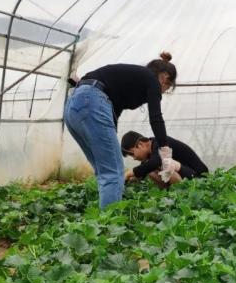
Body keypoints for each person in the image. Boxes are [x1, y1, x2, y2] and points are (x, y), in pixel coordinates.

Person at [63, 52, 176, 209]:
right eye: (168, 87)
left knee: (105, 170)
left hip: (74, 107)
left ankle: (104, 218)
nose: (163, 91)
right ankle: (110, 227)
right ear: (164, 78)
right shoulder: (152, 80)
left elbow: (115, 110)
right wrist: (165, 152)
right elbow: (156, 118)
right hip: (92, 101)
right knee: (113, 173)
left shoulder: (133, 79)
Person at [121, 131, 208, 188]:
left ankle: (182, 195)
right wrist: (128, 179)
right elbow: (143, 171)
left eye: (132, 154)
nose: (134, 158)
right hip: (186, 176)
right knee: (151, 171)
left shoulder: (160, 142)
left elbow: (155, 162)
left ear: (140, 144)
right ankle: (170, 195)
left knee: (166, 164)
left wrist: (130, 172)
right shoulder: (150, 155)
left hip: (199, 176)